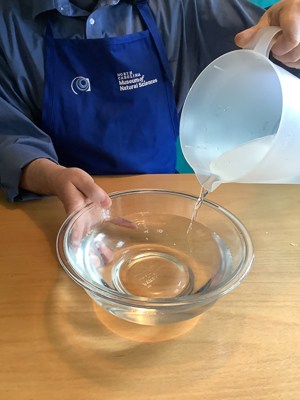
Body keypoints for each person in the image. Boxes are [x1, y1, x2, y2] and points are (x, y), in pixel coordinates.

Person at [0, 0, 299, 216]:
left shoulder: (182, 7)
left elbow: (271, 46)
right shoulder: (9, 21)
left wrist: (288, 37)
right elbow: (7, 134)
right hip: (57, 209)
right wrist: (50, 177)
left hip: (163, 201)